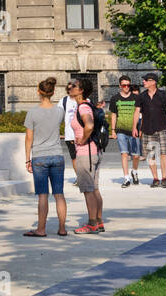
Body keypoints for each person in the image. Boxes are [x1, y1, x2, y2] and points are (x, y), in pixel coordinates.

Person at [23, 77, 68, 237]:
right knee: (59, 194)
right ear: (53, 92)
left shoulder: (32, 113)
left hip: (40, 157)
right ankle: (62, 228)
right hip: (57, 155)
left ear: (38, 92)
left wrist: (28, 158)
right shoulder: (59, 111)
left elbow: (29, 138)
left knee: (43, 195)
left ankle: (41, 229)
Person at [71, 83, 105, 233]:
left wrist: (83, 139)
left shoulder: (83, 107)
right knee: (94, 188)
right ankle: (98, 221)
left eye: (74, 86)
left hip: (86, 153)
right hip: (94, 151)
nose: (70, 87)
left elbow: (89, 125)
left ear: (81, 90)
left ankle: (91, 224)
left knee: (88, 190)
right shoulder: (88, 105)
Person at [133, 73, 166, 188]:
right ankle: (155, 178)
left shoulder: (164, 95)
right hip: (147, 129)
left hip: (161, 127)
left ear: (153, 82)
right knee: (150, 156)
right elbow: (137, 112)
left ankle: (164, 178)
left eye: (146, 80)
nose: (144, 82)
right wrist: (134, 127)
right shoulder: (141, 96)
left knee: (163, 153)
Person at [109, 75, 141, 187]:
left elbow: (141, 114)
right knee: (124, 154)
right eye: (124, 85)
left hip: (134, 130)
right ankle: (126, 178)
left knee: (136, 155)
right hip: (120, 130)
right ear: (120, 86)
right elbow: (113, 115)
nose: (126, 87)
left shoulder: (136, 98)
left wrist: (140, 128)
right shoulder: (115, 98)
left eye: (128, 85)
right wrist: (113, 130)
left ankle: (134, 171)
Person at [60, 79, 81, 185]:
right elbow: (58, 117)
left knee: (84, 157)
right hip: (70, 135)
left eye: (73, 87)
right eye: (68, 88)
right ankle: (79, 177)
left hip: (82, 134)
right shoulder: (63, 101)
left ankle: (86, 177)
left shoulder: (85, 100)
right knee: (74, 158)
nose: (70, 90)